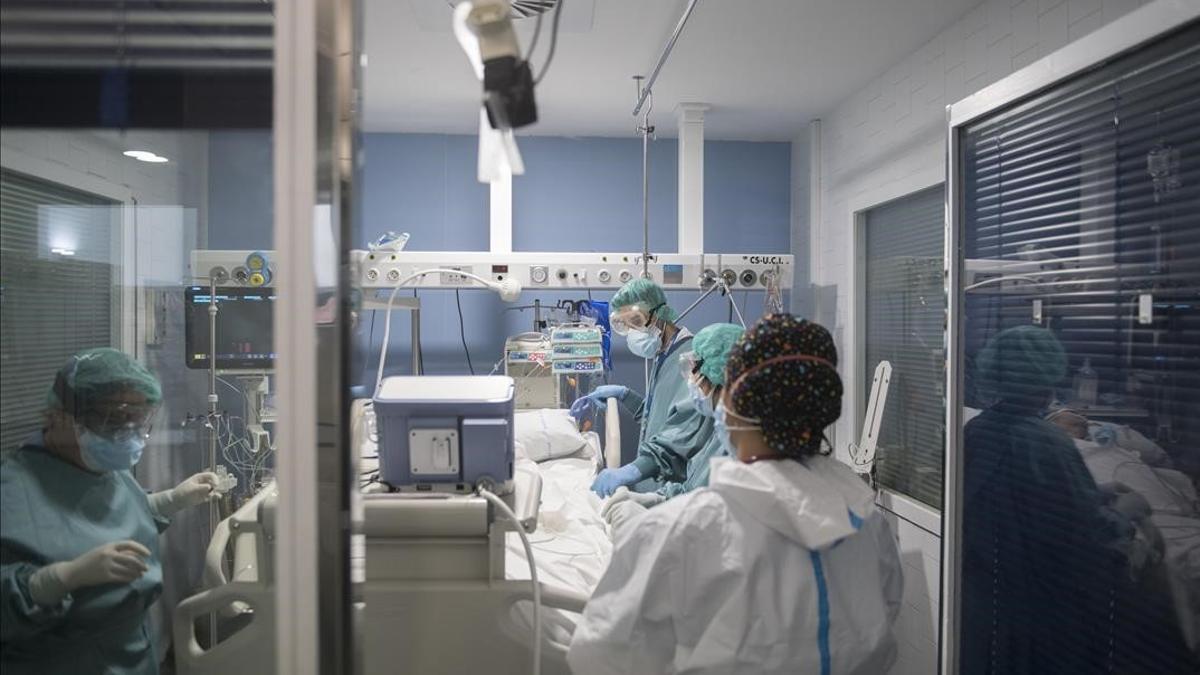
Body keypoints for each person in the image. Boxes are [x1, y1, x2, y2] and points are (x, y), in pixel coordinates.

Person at [569, 315, 904, 675]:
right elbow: (883, 615)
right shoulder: (869, 524)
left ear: (737, 401)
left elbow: (599, 656)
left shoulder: (690, 530)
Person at [961, 326, 1195, 675]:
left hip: (990, 594)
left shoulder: (978, 430)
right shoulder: (1047, 442)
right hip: (1046, 606)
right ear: (1047, 379)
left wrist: (1098, 491)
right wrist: (1129, 513)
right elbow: (1085, 531)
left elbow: (1022, 499)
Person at [1, 348, 220, 675]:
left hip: (132, 657)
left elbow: (117, 516)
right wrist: (62, 578)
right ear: (61, 417)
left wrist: (172, 499)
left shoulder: (101, 468)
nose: (131, 435)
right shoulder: (12, 491)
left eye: (139, 421)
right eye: (116, 421)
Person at [570, 278, 712, 497]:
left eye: (636, 320)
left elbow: (683, 430)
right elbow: (661, 416)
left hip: (671, 489)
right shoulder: (664, 354)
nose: (632, 330)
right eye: (623, 324)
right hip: (654, 483)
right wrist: (625, 396)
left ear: (661, 314)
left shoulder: (689, 359)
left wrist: (633, 470)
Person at [601, 323, 743, 535]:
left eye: (695, 372)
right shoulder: (721, 429)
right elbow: (693, 488)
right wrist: (658, 499)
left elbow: (709, 514)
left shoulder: (738, 441)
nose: (691, 382)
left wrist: (648, 510)